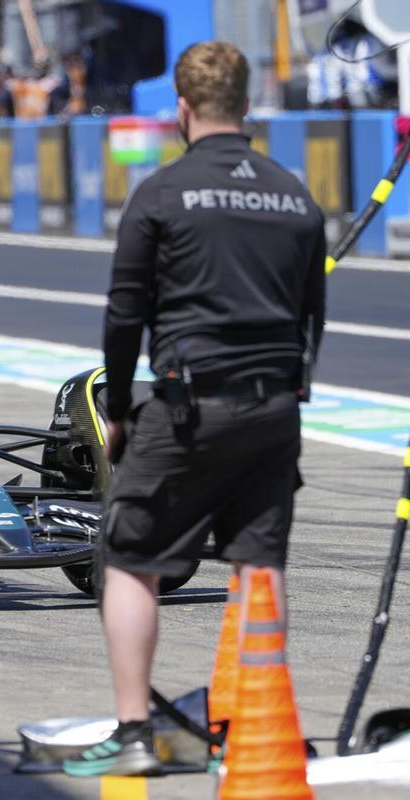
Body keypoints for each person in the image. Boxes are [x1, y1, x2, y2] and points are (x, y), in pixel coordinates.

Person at [62, 41, 326, 778]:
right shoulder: (294, 195)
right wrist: (292, 395)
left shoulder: (162, 193)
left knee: (128, 556)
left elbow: (124, 315)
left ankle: (133, 731)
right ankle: (260, 723)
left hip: (190, 406)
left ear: (182, 109)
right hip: (275, 408)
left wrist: (118, 408)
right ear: (245, 106)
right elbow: (312, 316)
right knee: (258, 565)